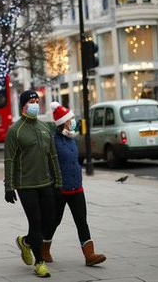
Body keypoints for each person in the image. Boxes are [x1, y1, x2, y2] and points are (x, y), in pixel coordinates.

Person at [4, 90, 62, 278]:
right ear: (23, 106)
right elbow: (9, 160)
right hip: (25, 185)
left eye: (37, 100)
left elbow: (52, 156)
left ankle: (25, 242)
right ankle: (39, 263)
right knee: (35, 223)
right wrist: (9, 186)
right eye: (31, 101)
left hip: (45, 183)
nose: (35, 103)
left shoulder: (45, 128)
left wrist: (58, 181)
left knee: (49, 221)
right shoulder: (15, 130)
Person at [42, 101, 106, 266]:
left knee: (81, 221)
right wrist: (51, 184)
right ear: (63, 123)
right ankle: (44, 249)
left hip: (77, 187)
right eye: (70, 120)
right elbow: (48, 164)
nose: (73, 122)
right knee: (54, 221)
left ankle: (89, 255)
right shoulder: (53, 141)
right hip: (60, 189)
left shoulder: (72, 140)